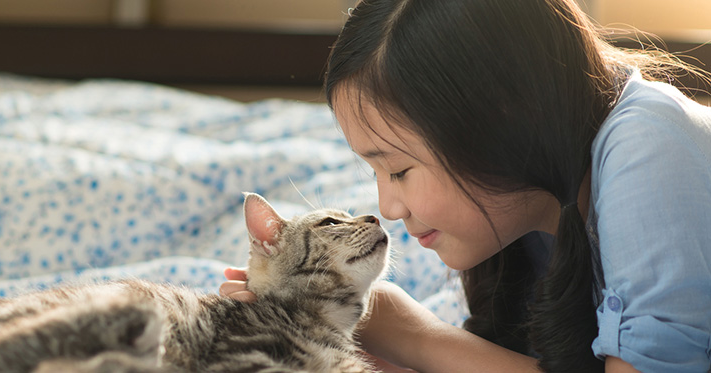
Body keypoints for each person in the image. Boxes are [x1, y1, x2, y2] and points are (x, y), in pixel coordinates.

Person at [220, 0, 711, 372]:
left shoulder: (650, 150)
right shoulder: (533, 208)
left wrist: (414, 333)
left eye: (398, 170)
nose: (387, 208)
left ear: (500, 124)